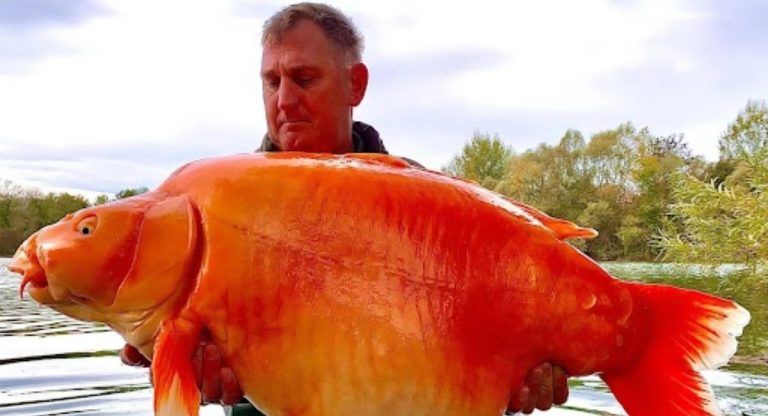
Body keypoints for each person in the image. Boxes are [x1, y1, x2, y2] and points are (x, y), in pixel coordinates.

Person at [121, 3, 570, 415]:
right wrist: (173, 362)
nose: (284, 100)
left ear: (355, 84)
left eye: (304, 78)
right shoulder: (212, 209)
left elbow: (488, 345)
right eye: (272, 81)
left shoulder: (435, 207)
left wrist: (519, 383)